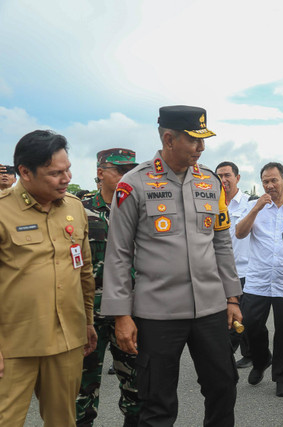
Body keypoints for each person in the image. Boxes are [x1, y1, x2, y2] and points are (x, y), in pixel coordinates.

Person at [101, 105, 242, 427]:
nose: (201, 148)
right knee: (157, 402)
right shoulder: (132, 185)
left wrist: (232, 298)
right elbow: (118, 254)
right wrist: (121, 315)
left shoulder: (210, 181)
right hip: (157, 313)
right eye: (194, 140)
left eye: (203, 141)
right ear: (168, 138)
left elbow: (221, 243)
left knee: (223, 387)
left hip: (209, 309)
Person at [0, 130, 97, 426]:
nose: (66, 178)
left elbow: (85, 270)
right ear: (25, 172)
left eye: (67, 169)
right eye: (55, 173)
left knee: (62, 420)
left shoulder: (74, 208)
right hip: (14, 344)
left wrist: (88, 321)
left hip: (67, 339)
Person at [76, 148, 140, 427]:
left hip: (129, 313)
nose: (127, 176)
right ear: (101, 173)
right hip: (88, 314)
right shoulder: (79, 209)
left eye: (131, 170)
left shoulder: (139, 207)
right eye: (121, 170)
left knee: (138, 387)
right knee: (82, 390)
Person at [235, 162, 283, 397]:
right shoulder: (254, 206)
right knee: (250, 325)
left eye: (274, 180)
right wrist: (255, 209)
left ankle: (282, 378)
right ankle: (261, 360)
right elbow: (240, 233)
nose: (269, 185)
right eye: (265, 181)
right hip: (257, 280)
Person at [216, 160, 253, 369]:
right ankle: (233, 355)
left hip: (245, 269)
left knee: (242, 315)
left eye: (227, 175)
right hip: (220, 271)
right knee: (226, 315)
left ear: (237, 178)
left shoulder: (250, 203)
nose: (223, 180)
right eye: (219, 176)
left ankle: (241, 355)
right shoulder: (212, 204)